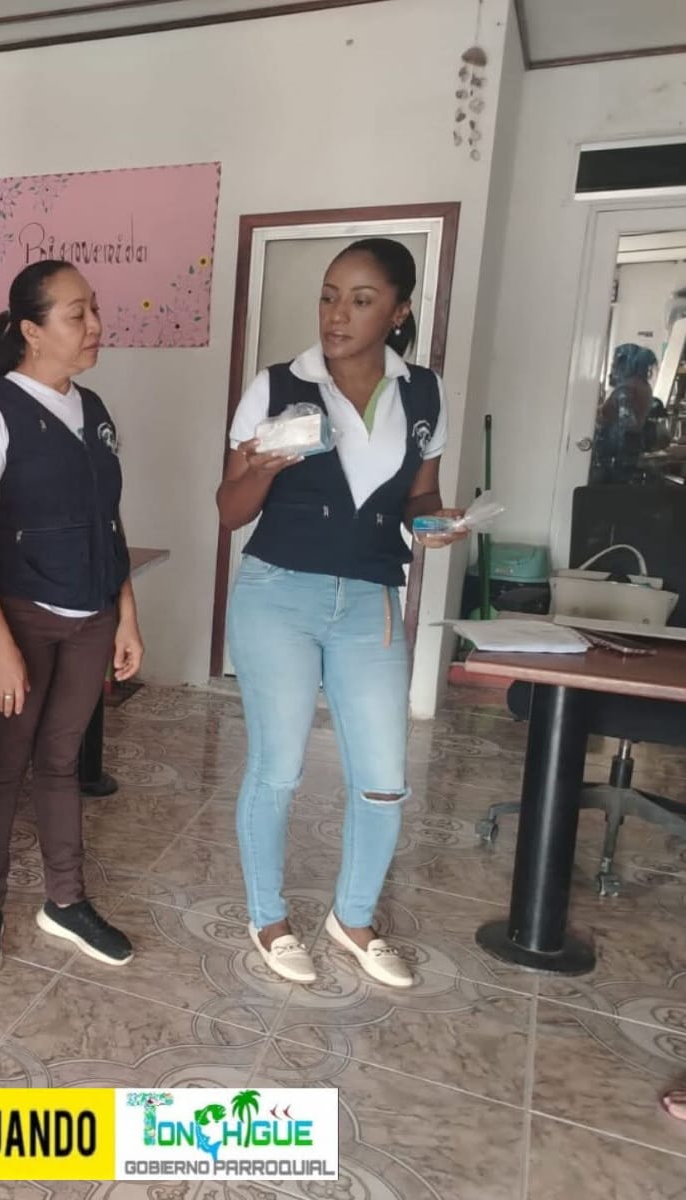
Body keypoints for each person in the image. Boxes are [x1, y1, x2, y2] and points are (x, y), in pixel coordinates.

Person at [215, 237, 467, 990]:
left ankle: (352, 920)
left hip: (369, 600)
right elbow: (229, 510)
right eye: (328, 296)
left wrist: (433, 521)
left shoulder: (423, 393)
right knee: (278, 768)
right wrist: (260, 469)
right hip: (277, 594)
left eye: (360, 300)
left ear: (399, 311)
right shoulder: (276, 386)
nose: (336, 314)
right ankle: (268, 918)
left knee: (384, 777)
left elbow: (419, 495)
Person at [0, 260, 144, 977]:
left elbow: (108, 520)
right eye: (75, 314)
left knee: (61, 761)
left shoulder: (95, 411)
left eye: (93, 310)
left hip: (91, 617)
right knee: (4, 762)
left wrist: (126, 614)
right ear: (30, 331)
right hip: (21, 616)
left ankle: (65, 899)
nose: (94, 326)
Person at [590, 342, 659, 485]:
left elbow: (626, 422)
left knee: (608, 489)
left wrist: (601, 418)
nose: (613, 367)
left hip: (616, 450)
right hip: (630, 447)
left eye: (615, 362)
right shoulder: (644, 386)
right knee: (620, 489)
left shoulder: (627, 388)